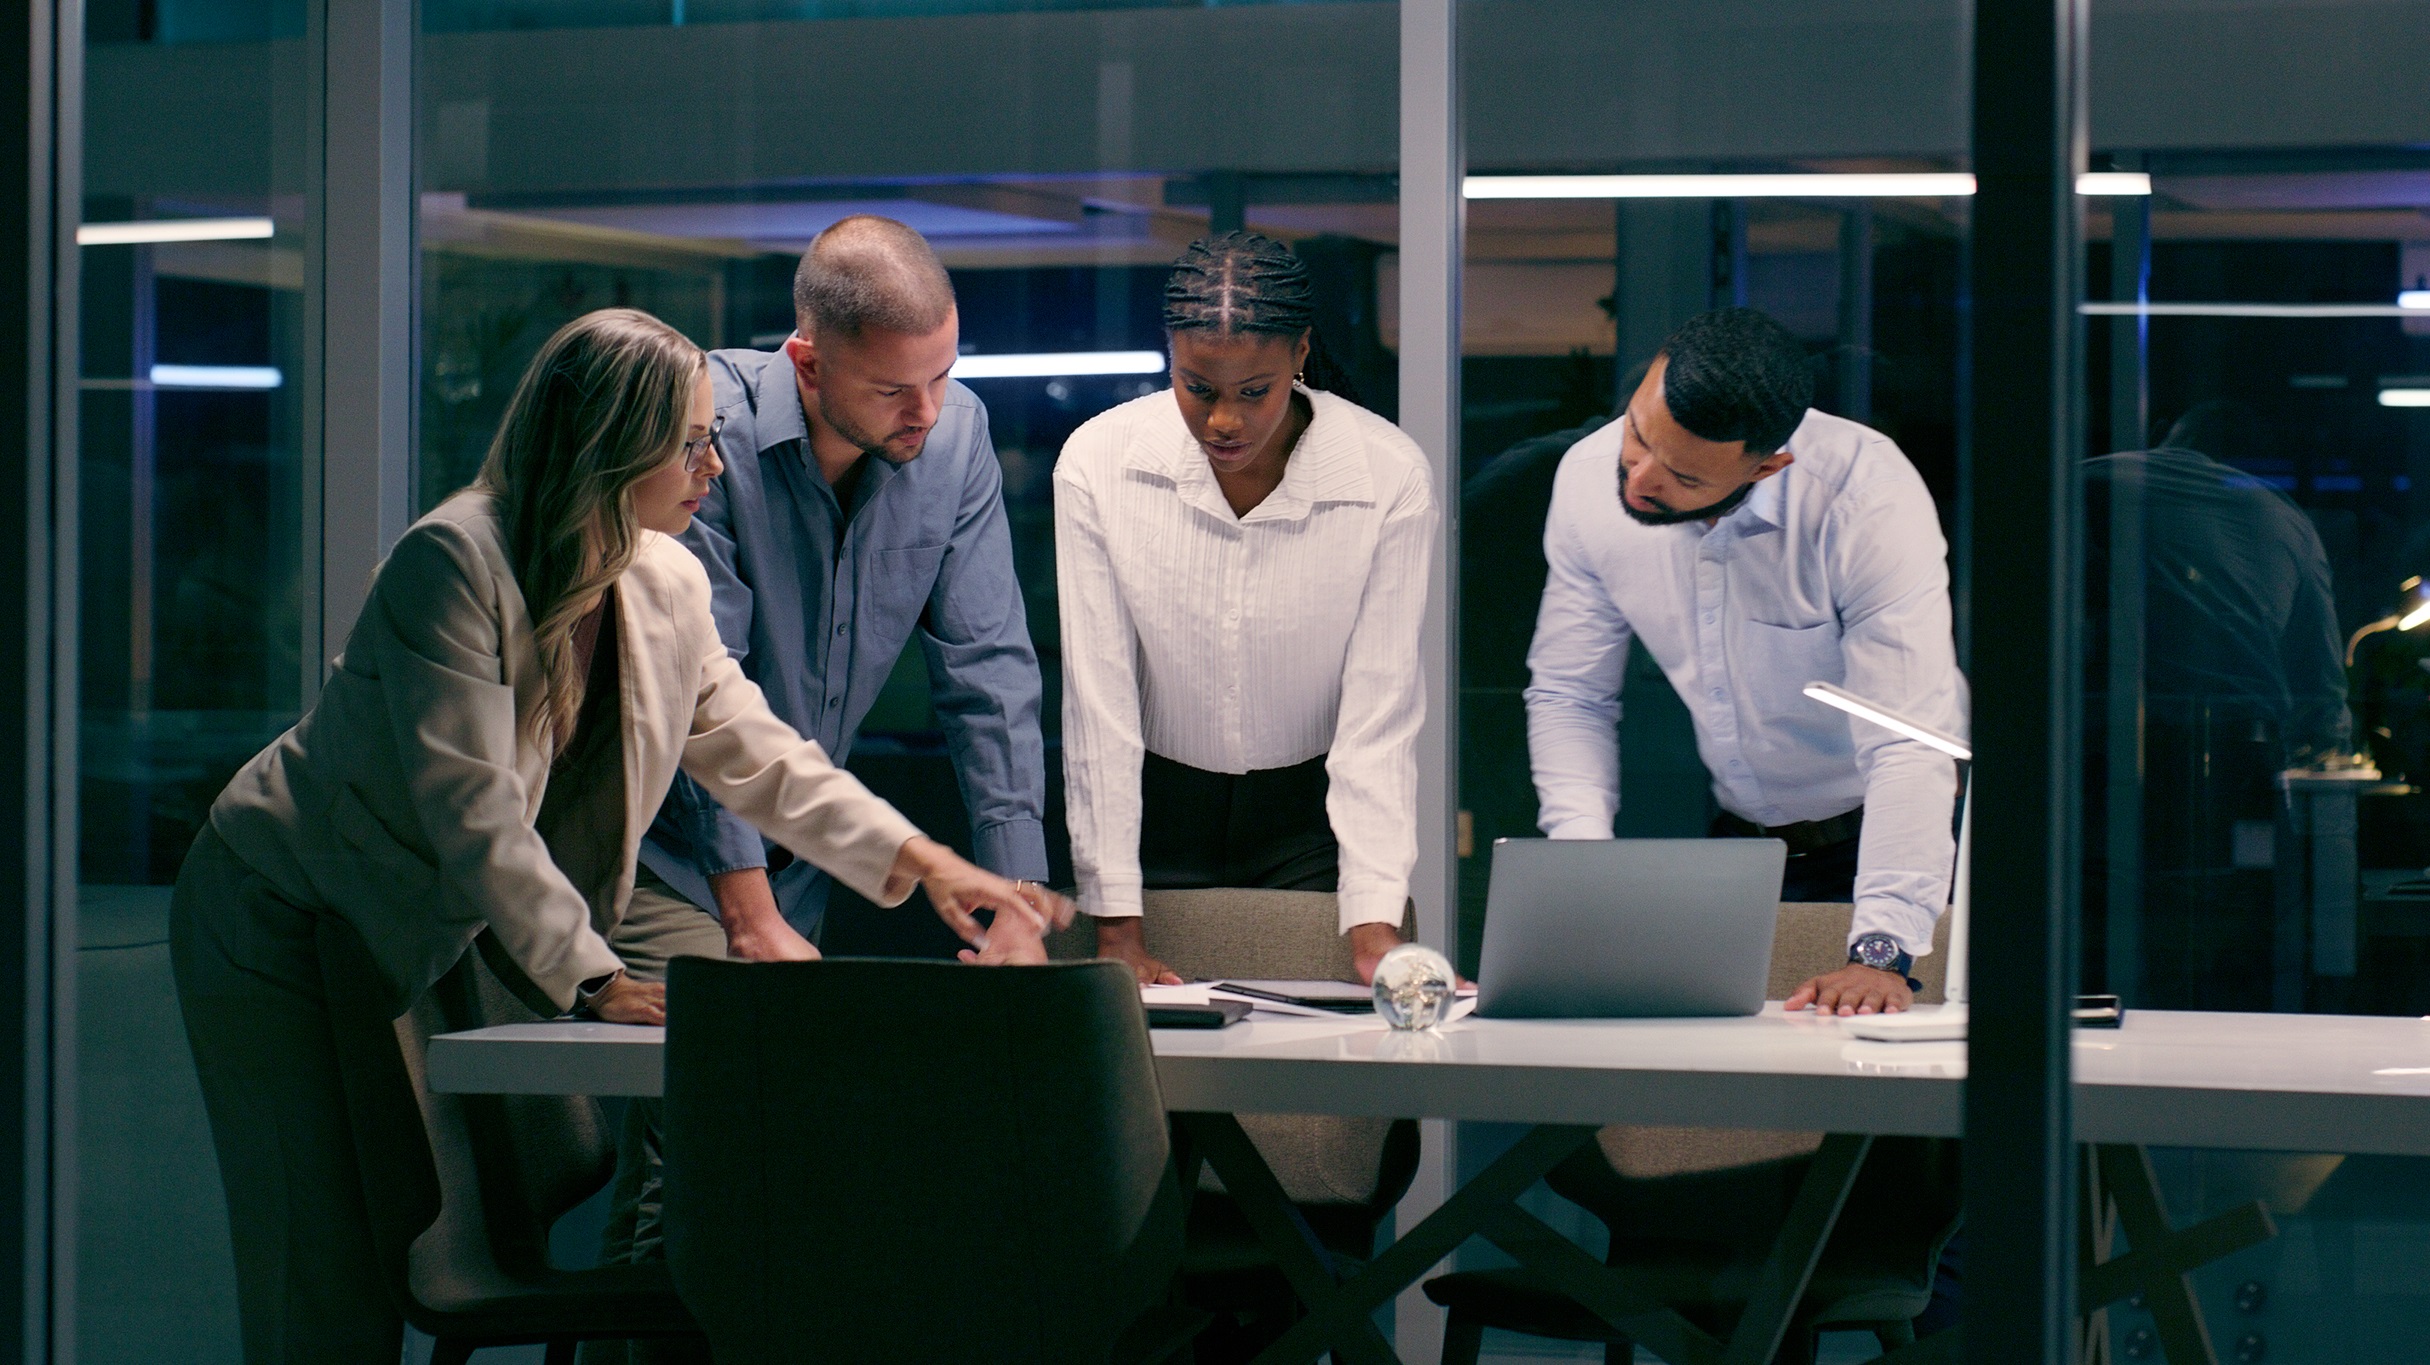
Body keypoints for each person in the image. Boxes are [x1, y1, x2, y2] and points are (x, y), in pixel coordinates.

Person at [169, 307, 1063, 1362]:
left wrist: (927, 864)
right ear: (607, 445)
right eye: (690, 443)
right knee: (322, 1262)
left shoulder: (662, 575)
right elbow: (479, 815)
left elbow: (759, 755)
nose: (715, 466)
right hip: (277, 910)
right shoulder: (451, 564)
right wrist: (599, 981)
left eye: (712, 439)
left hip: (411, 915)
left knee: (394, 1227)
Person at [1524, 307, 1966, 1016]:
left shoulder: (1863, 497)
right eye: (1639, 435)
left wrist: (1883, 953)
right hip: (1752, 841)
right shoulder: (1586, 480)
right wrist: (1583, 872)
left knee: (1901, 1084)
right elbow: (1570, 693)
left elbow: (1906, 739)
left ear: (1767, 467)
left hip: (1907, 831)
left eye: (1683, 477)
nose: (1639, 480)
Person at [635, 214, 1052, 966]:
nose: (926, 412)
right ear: (808, 363)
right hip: (660, 858)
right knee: (706, 1071)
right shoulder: (707, 436)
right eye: (893, 388)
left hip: (805, 867)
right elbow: (698, 702)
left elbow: (988, 674)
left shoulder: (955, 436)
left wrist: (1014, 899)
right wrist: (750, 916)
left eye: (942, 375)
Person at [1056, 231, 1439, 987]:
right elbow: (1098, 708)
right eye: (1197, 387)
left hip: (1309, 822)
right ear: (1169, 354)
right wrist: (1115, 923)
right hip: (1152, 812)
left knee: (1327, 1078)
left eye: (1252, 391)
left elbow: (1378, 719)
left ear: (1300, 354)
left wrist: (1372, 930)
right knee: (1153, 1090)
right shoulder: (1098, 463)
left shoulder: (1388, 475)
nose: (1222, 422)